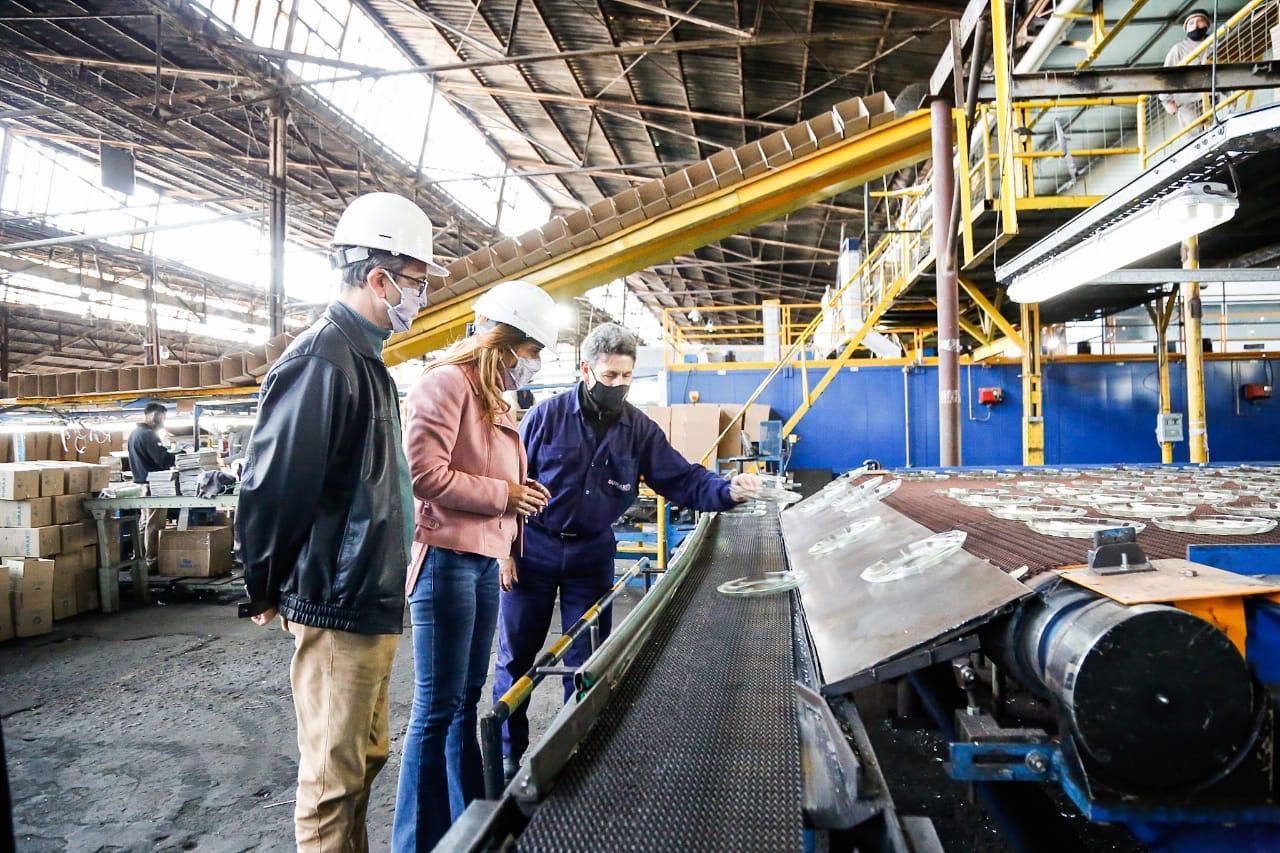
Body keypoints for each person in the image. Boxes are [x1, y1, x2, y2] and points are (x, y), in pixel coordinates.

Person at [237, 191, 448, 852]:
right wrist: (264, 585)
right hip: (335, 603)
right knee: (331, 782)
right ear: (379, 277)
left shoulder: (365, 361)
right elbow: (274, 485)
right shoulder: (321, 360)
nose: (420, 297)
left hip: (368, 600)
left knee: (361, 764)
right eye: (415, 281)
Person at [492, 322, 761, 776]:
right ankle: (505, 756)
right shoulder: (544, 418)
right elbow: (507, 483)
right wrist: (504, 548)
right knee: (517, 656)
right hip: (532, 549)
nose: (617, 386)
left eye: (626, 377)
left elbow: (681, 478)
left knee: (587, 660)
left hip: (591, 555)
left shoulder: (638, 429)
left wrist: (727, 489)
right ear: (585, 369)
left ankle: (569, 757)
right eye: (609, 375)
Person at [392, 280, 559, 850]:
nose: (533, 366)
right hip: (445, 562)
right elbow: (425, 477)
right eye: (532, 352)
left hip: (484, 561)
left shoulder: (493, 399)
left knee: (466, 703)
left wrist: (518, 495)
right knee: (436, 709)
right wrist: (504, 495)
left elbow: (489, 475)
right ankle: (416, 841)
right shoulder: (443, 384)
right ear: (503, 341)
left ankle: (462, 831)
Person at [127, 402, 175, 568]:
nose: (163, 421)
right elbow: (162, 459)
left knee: (144, 522)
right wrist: (179, 456)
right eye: (162, 418)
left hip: (142, 485)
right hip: (154, 486)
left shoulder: (134, 433)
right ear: (154, 416)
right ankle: (151, 561)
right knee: (154, 523)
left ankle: (138, 559)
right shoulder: (148, 434)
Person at [1160, 9, 1213, 130]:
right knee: (1196, 136)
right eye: (1191, 23)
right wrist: (1166, 101)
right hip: (1188, 102)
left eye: (1199, 21)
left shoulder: (1214, 42)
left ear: (1207, 25)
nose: (1195, 25)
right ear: (1186, 29)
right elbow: (1166, 76)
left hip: (1214, 96)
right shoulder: (1179, 49)